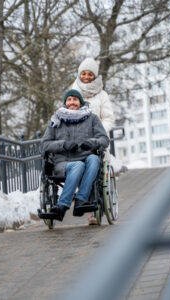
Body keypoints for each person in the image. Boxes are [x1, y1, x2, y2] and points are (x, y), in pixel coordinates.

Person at [41, 89, 110, 222]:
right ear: (65, 102)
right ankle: (62, 205)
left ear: (80, 102)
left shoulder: (92, 118)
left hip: (86, 158)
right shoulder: (56, 120)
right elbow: (44, 145)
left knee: (94, 159)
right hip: (63, 162)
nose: (72, 102)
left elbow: (104, 139)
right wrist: (63, 144)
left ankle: (80, 200)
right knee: (78, 165)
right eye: (69, 99)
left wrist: (92, 143)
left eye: (75, 99)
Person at [71, 57, 115, 224]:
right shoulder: (73, 91)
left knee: (92, 166)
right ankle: (86, 204)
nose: (87, 77)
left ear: (95, 76)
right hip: (77, 140)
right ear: (79, 74)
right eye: (84, 73)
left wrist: (99, 133)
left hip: (96, 140)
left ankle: (92, 210)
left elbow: (109, 118)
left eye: (90, 74)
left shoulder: (102, 95)